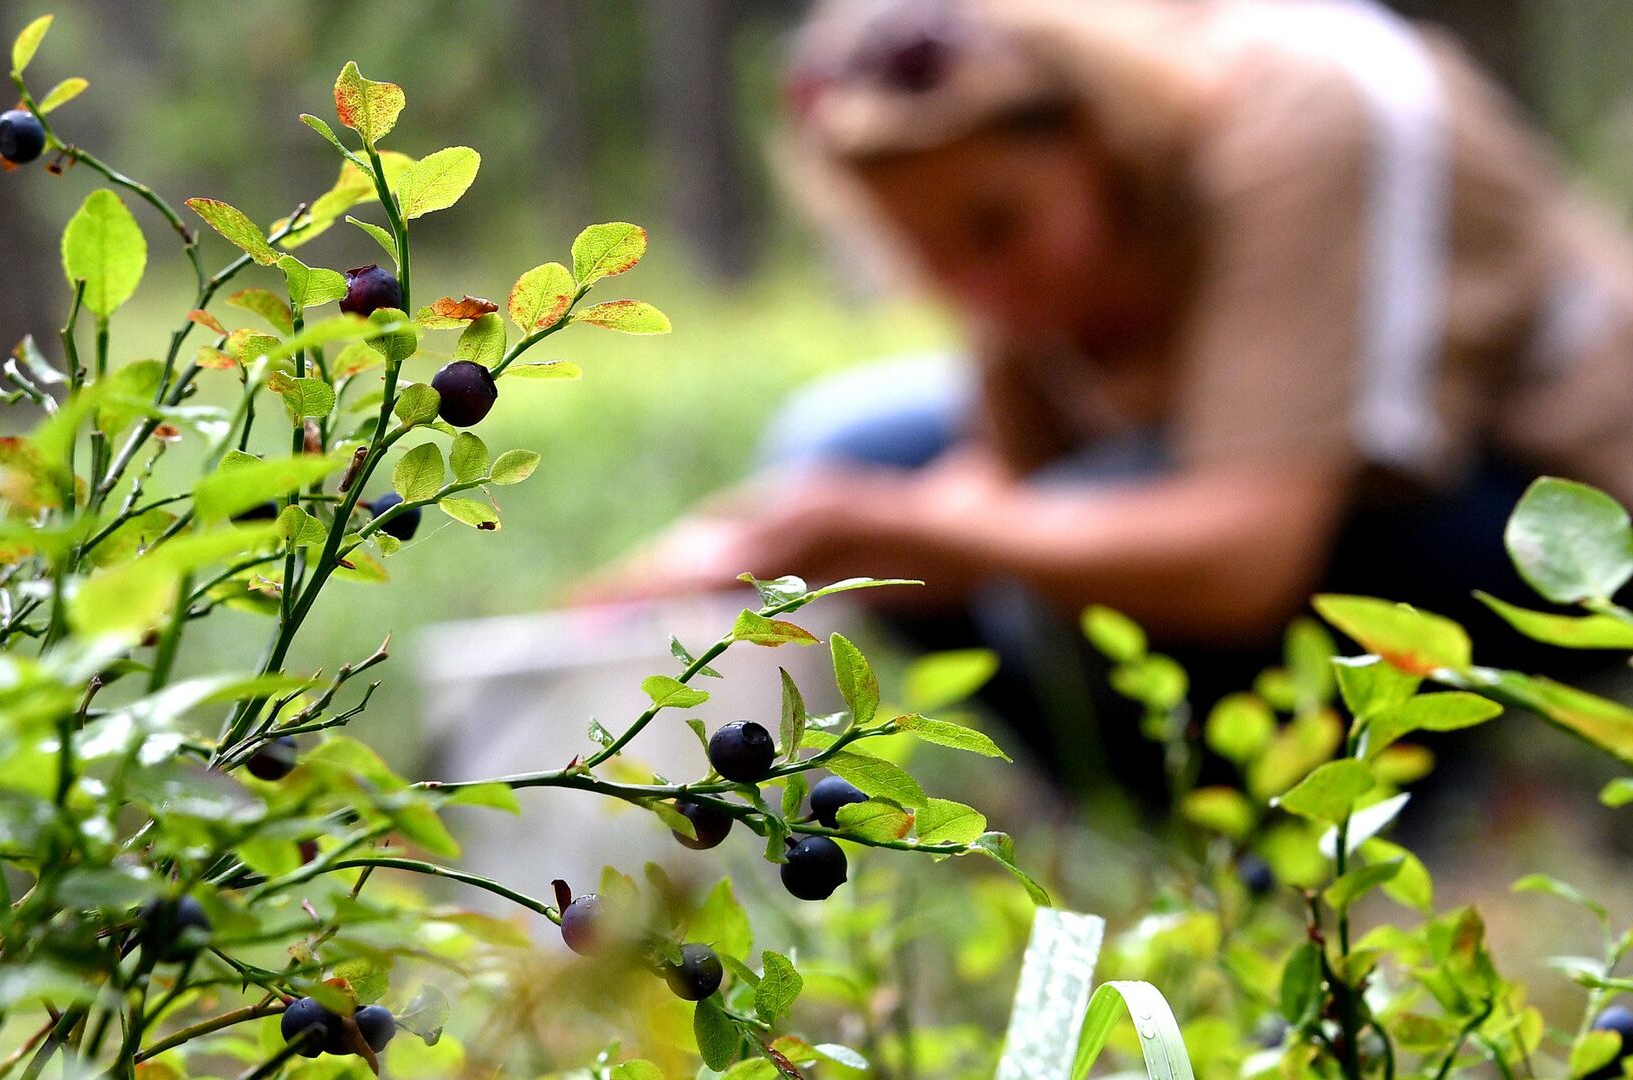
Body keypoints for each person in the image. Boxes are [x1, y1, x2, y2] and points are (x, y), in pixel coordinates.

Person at [577, 0, 1633, 800]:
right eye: (925, 255)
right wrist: (754, 540)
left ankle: (1302, 819)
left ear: (1103, 140)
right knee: (838, 446)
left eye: (996, 231)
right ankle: (1154, 801)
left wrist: (916, 530)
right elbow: (1008, 468)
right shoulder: (1017, 222)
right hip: (1268, 481)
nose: (974, 290)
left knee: (1059, 539)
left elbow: (1243, 555)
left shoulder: (1320, 113)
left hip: (1555, 507)